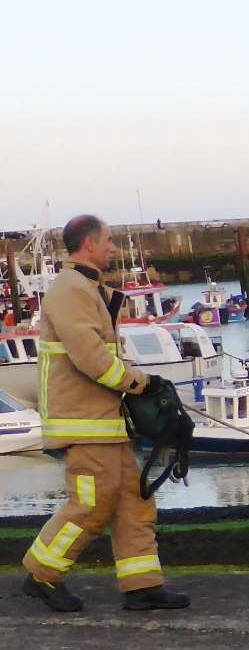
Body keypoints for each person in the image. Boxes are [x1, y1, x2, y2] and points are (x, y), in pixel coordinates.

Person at [21, 215, 189, 613]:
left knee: (135, 500)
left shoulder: (88, 289)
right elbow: (91, 357)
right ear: (88, 244)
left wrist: (136, 387)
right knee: (91, 505)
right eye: (109, 241)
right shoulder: (71, 290)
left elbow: (99, 357)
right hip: (84, 424)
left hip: (105, 423)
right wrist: (139, 383)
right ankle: (42, 574)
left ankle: (141, 585)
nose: (114, 248)